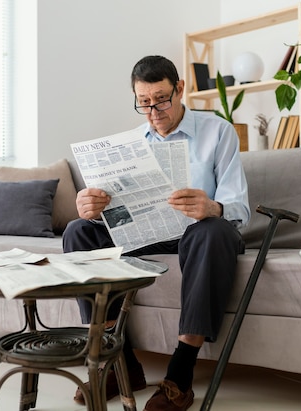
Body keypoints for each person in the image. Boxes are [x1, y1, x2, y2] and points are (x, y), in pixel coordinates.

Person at [63, 55, 250, 411]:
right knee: (78, 232)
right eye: (144, 103)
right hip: (147, 231)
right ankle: (122, 366)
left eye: (161, 99)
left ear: (180, 89)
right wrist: (93, 208)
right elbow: (117, 209)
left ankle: (180, 373)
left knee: (210, 232)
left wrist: (212, 207)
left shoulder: (218, 131)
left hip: (200, 233)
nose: (153, 110)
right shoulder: (131, 142)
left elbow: (238, 209)